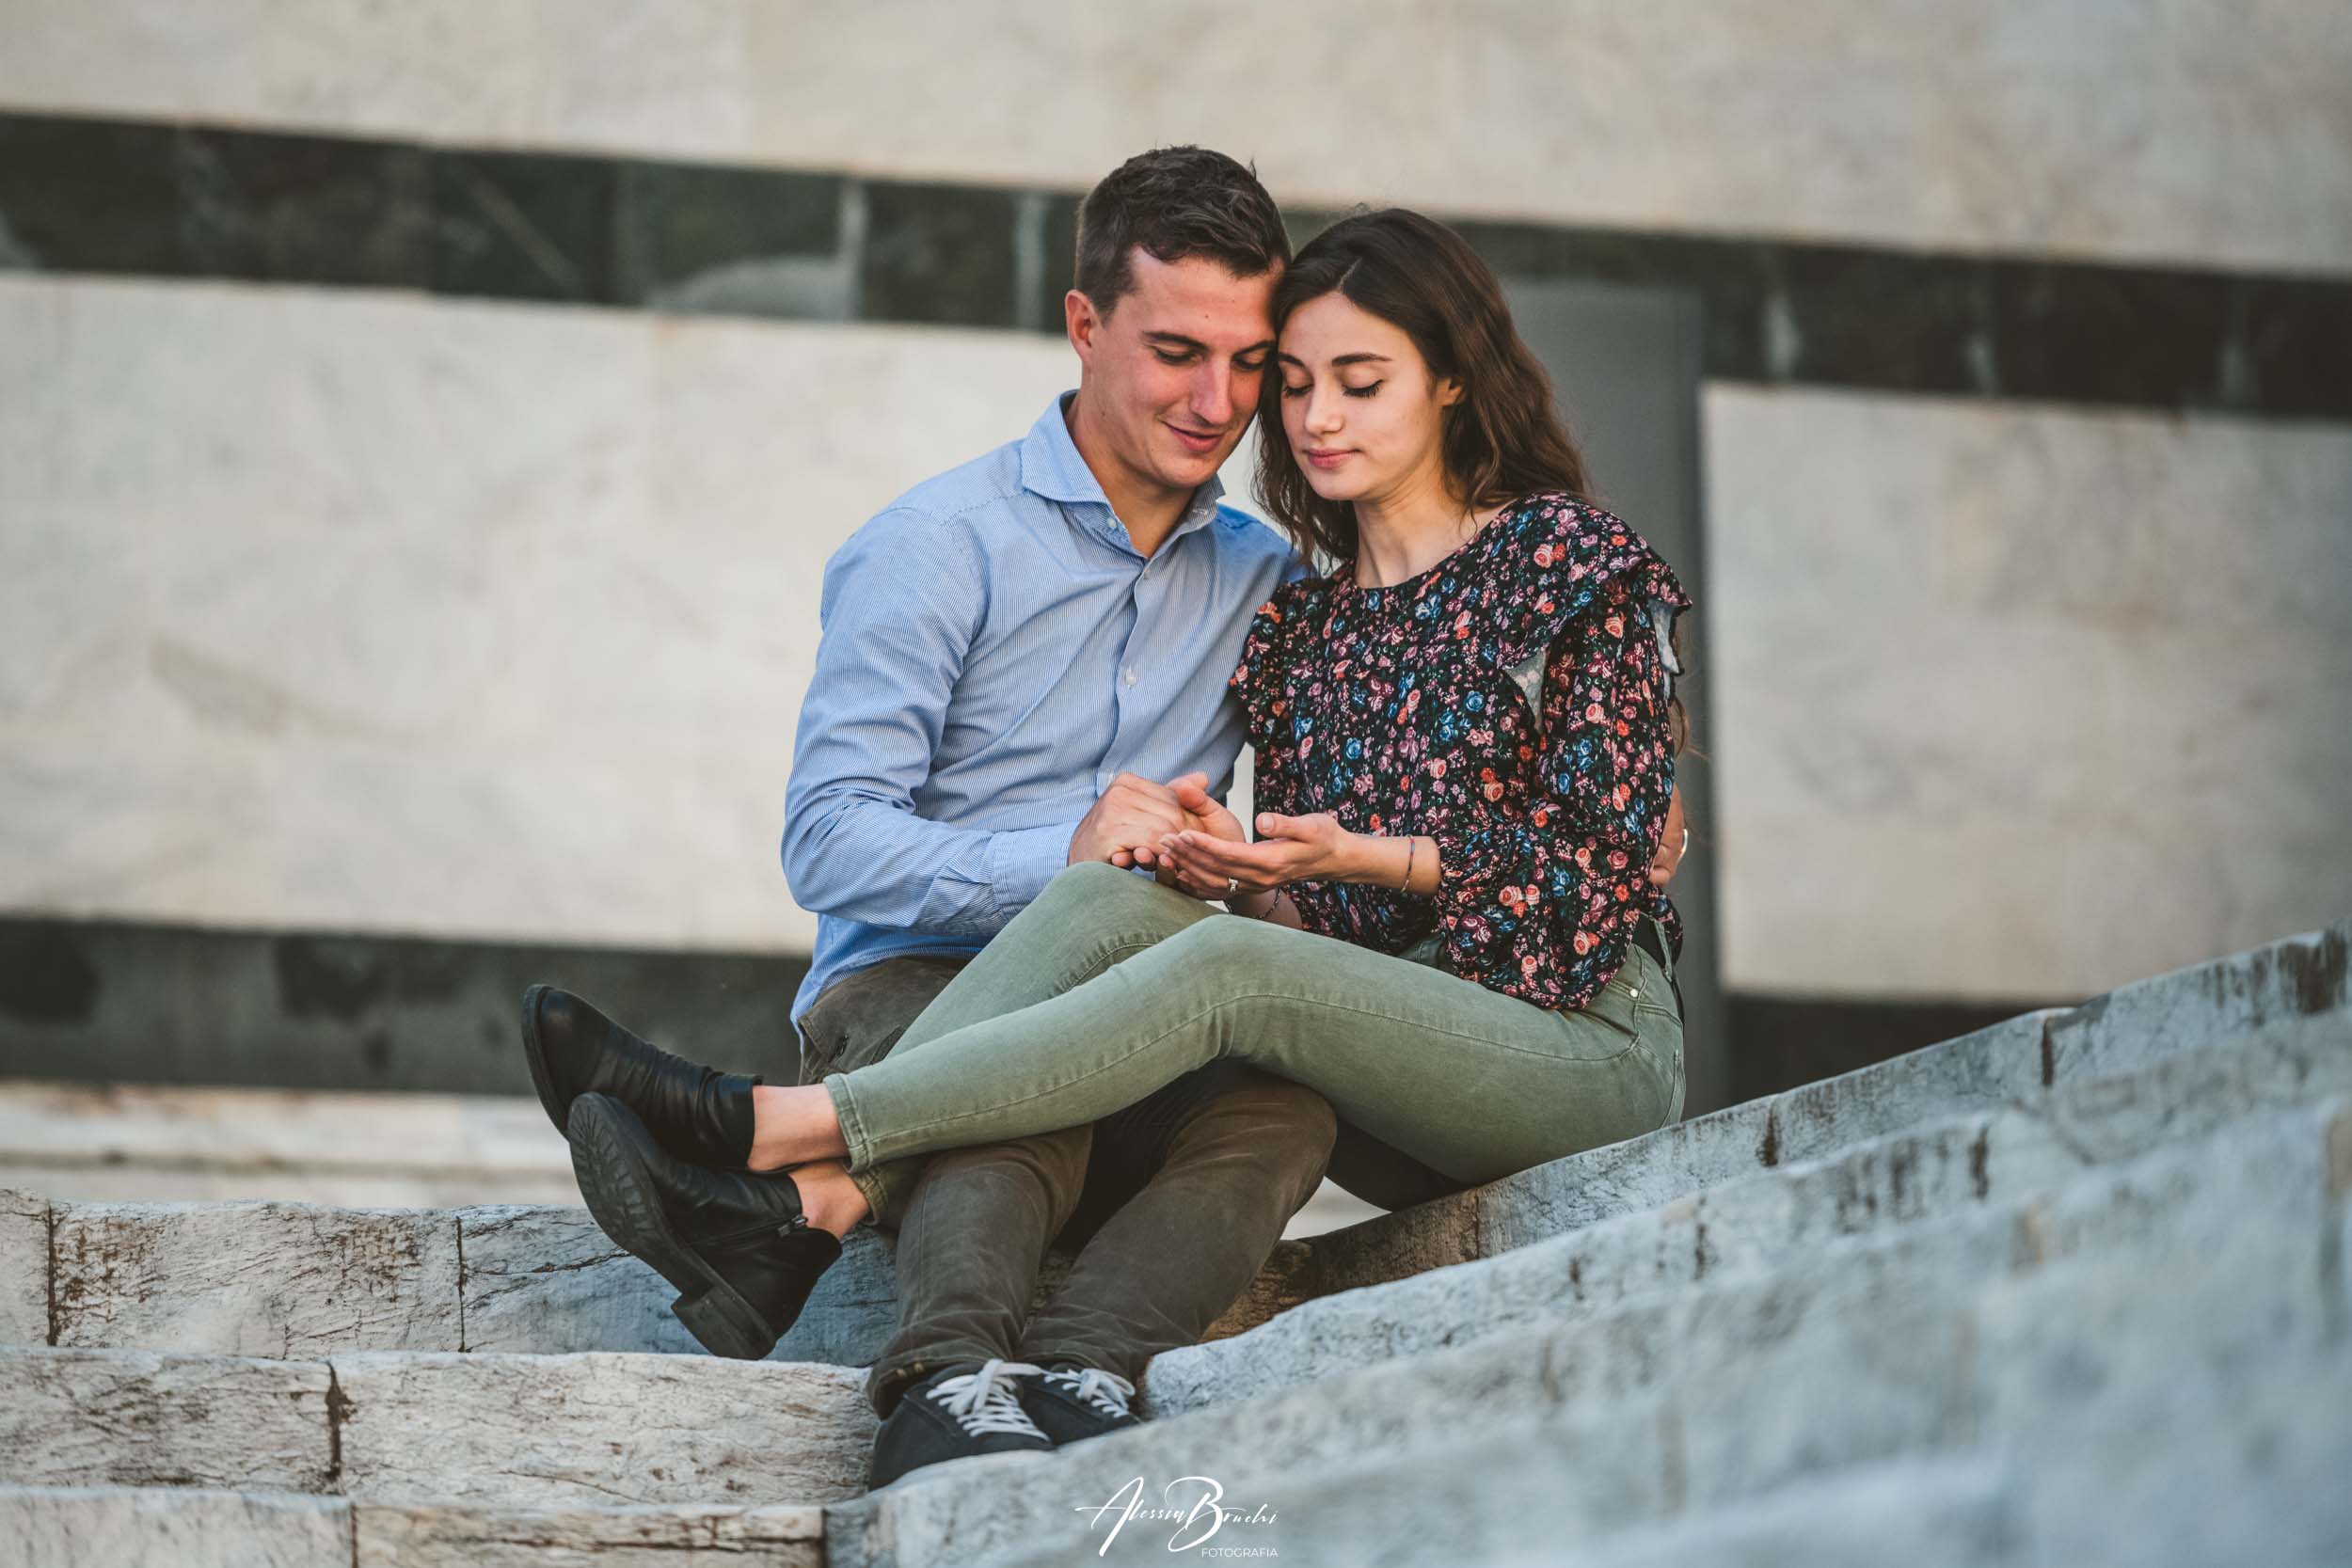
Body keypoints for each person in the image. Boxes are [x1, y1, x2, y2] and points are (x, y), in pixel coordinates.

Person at [526, 147, 1343, 1491]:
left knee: (1287, 1101)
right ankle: (945, 1378)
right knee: (1036, 1060)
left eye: (1250, 363)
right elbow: (828, 841)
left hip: (1139, 1007)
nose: (1218, 402)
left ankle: (1082, 1363)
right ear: (1084, 326)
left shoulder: (1267, 583)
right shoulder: (937, 541)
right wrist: (1059, 857)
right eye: (1177, 351)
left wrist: (1257, 882)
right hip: (909, 990)